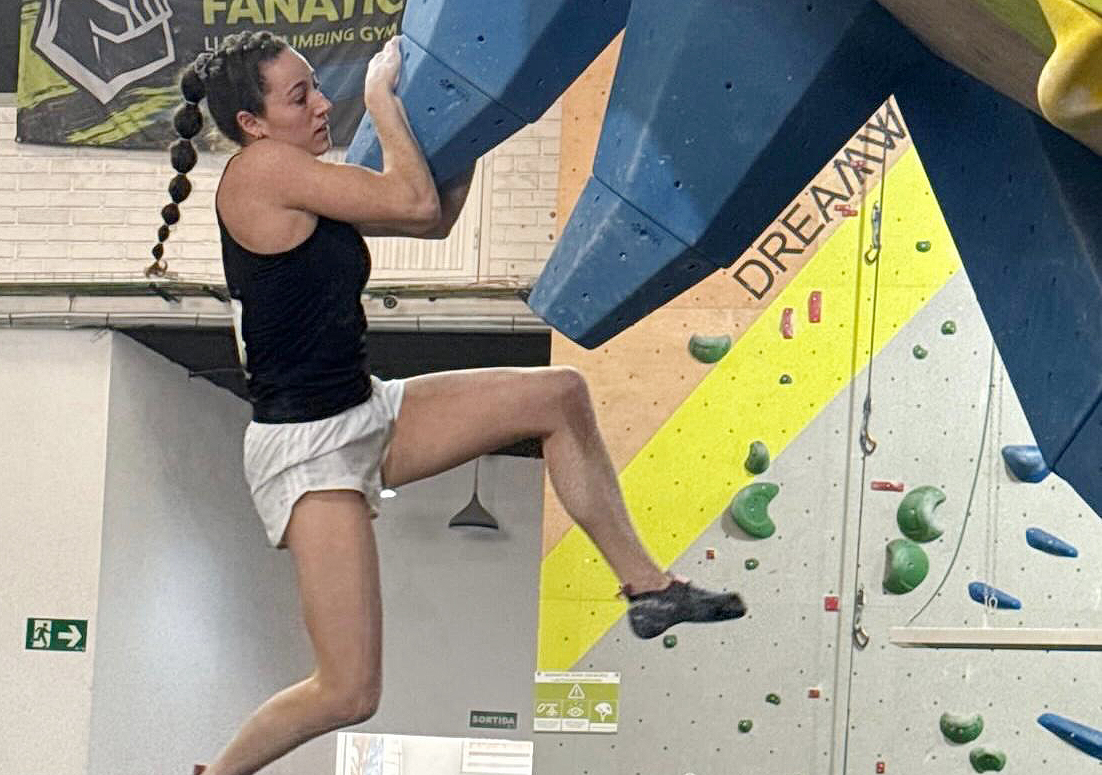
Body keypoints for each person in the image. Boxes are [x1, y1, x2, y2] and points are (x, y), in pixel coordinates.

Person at [156, 30, 746, 775]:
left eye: (318, 87)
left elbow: (430, 217)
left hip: (367, 411)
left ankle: (650, 590)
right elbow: (410, 197)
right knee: (348, 691)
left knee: (559, 395)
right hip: (308, 451)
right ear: (252, 124)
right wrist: (382, 100)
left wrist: (473, 118)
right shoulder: (262, 172)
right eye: (300, 97)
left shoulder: (305, 180)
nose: (322, 105)